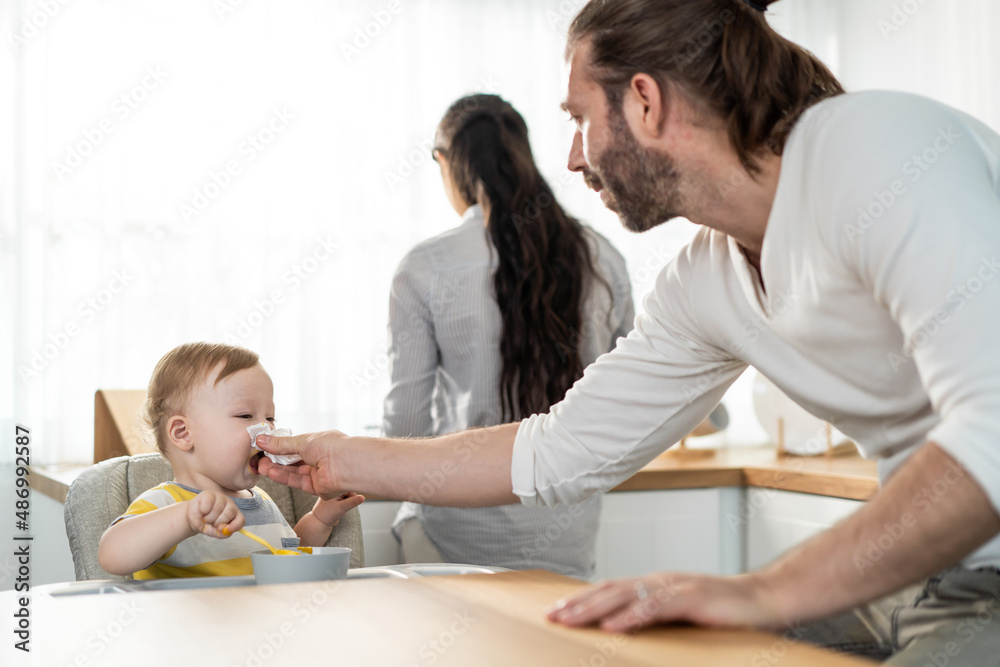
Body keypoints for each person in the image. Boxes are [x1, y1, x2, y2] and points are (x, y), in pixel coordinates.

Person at [257, 0, 1000, 663]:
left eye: (579, 117)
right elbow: (558, 449)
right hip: (934, 570)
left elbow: (993, 430)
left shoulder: (877, 149)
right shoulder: (704, 280)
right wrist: (339, 457)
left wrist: (762, 591)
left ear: (644, 101)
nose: (573, 156)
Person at [383, 94, 634, 578]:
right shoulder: (602, 257)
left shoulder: (425, 267)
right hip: (567, 535)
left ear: (444, 162)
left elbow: (404, 429)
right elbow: (630, 393)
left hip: (451, 536)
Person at [98, 342, 364, 578]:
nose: (267, 430)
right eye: (246, 416)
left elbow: (284, 556)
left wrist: (321, 518)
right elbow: (112, 555)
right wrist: (186, 519)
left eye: (270, 418)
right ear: (183, 433)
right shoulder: (167, 503)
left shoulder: (262, 502)